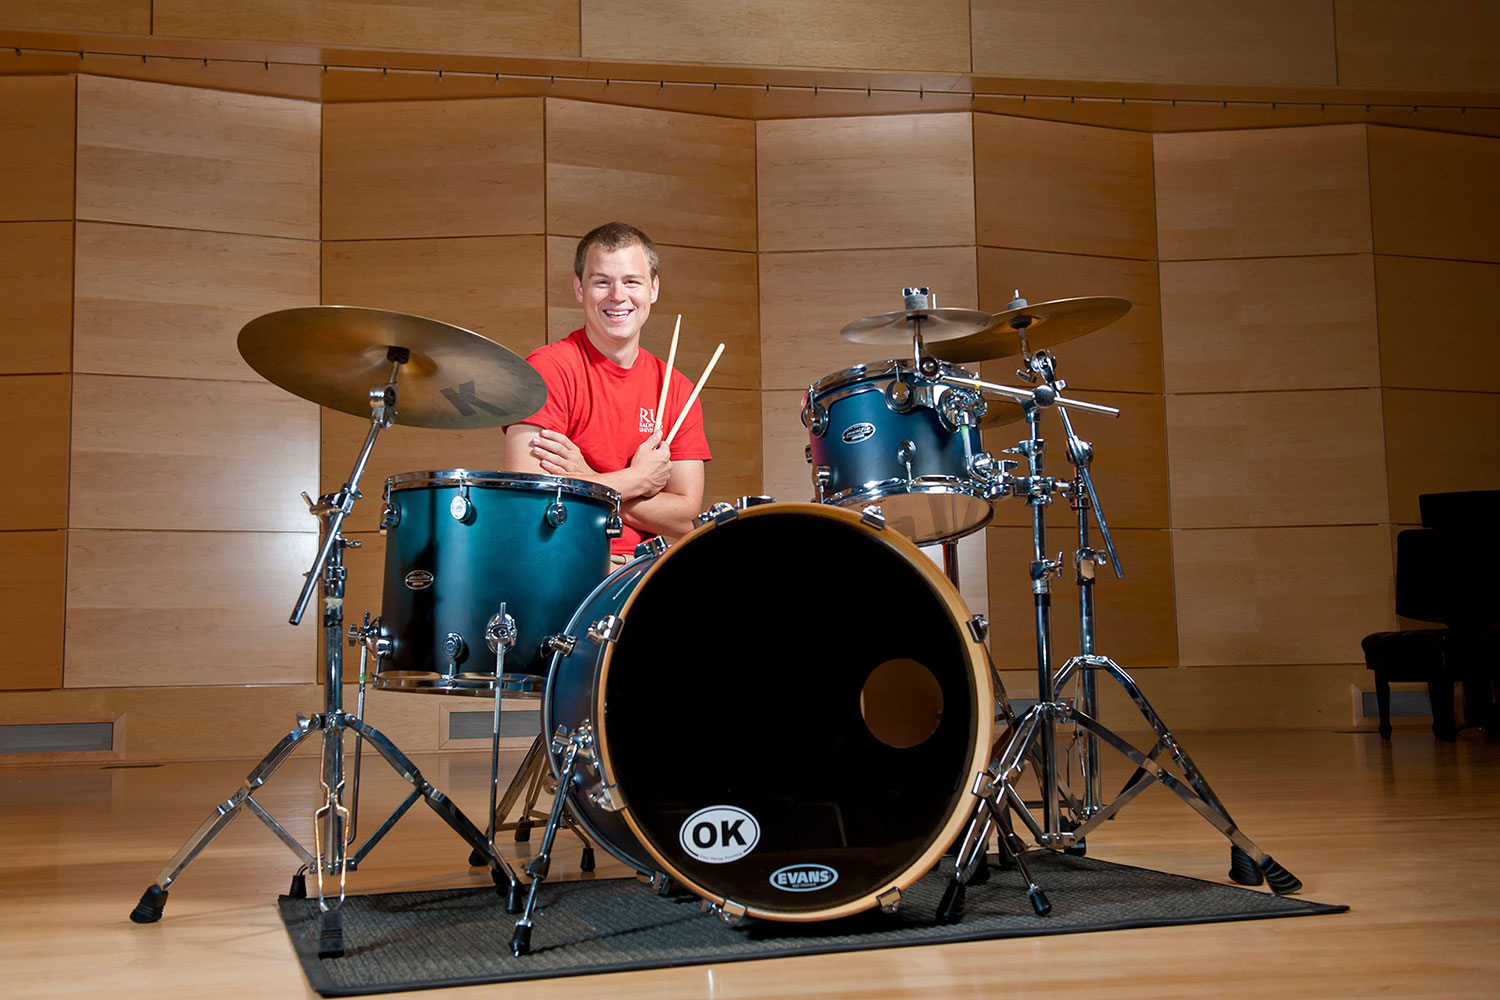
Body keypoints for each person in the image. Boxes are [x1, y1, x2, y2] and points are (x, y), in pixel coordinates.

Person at [504, 222, 711, 563]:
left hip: (647, 569)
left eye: (632, 281)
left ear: (653, 289)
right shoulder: (548, 369)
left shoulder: (677, 388)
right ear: (579, 289)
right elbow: (532, 495)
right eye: (602, 282)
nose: (618, 296)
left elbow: (685, 517)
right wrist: (639, 478)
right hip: (564, 561)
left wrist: (586, 478)